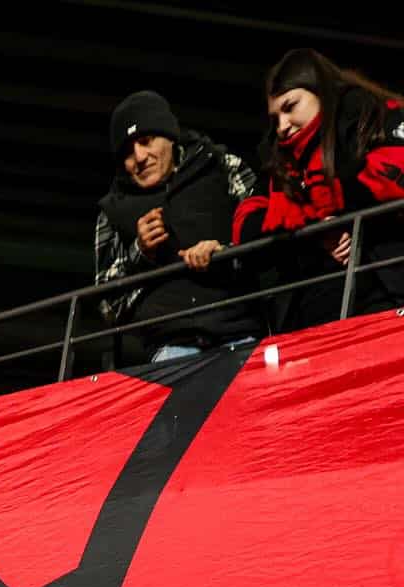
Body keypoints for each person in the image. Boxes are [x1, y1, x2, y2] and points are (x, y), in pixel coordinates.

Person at [234, 48, 404, 331]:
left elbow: (393, 172)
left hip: (387, 297)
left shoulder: (373, 116)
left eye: (290, 107)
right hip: (308, 320)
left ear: (321, 92)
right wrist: (315, 231)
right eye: (275, 118)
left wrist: (321, 213)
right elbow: (245, 225)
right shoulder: (278, 160)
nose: (282, 126)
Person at [94, 90, 260, 365]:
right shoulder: (112, 211)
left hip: (242, 334)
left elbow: (266, 242)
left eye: (146, 141)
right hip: (170, 349)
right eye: (127, 152)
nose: (139, 157)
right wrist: (140, 253)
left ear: (170, 136)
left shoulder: (222, 165)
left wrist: (224, 253)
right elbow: (107, 307)